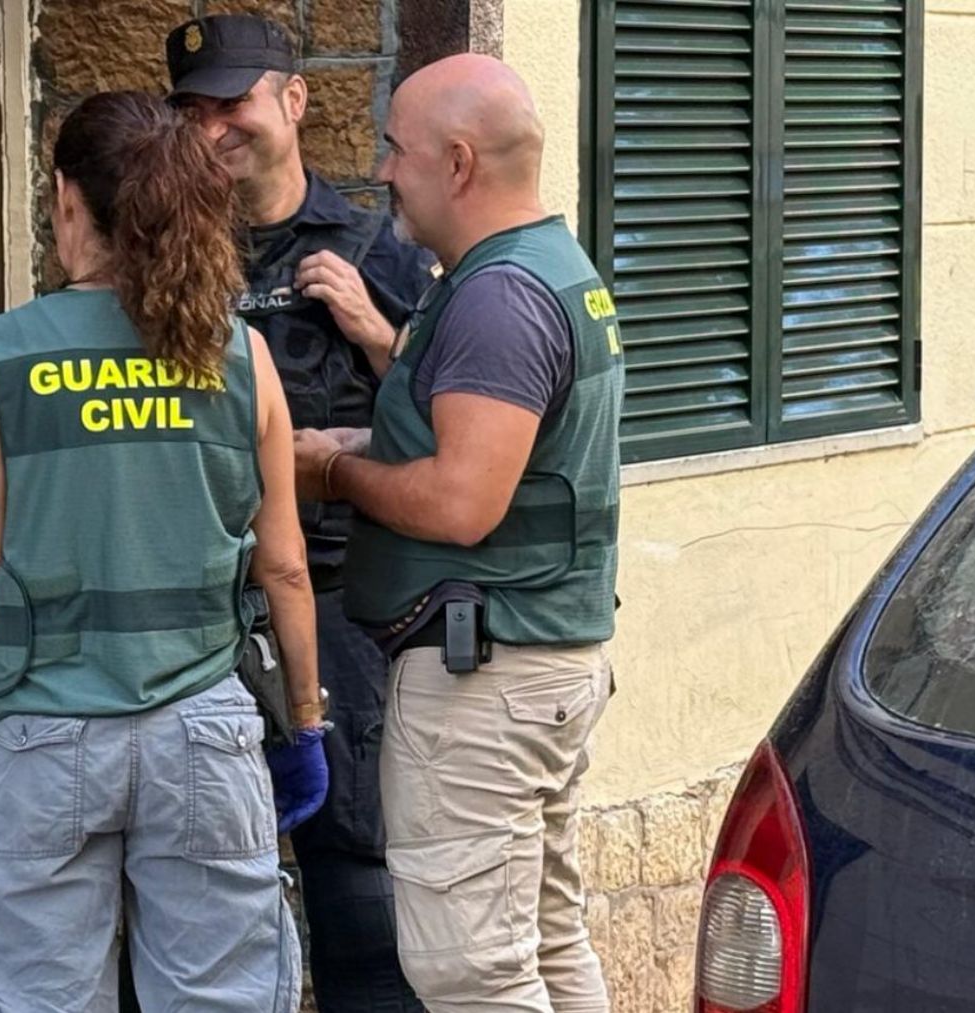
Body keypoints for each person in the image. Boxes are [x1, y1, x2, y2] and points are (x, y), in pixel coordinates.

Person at [0, 90, 329, 1012]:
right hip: (204, 734)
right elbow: (283, 564)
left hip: (45, 737)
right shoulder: (237, 355)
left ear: (69, 200)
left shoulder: (3, 354)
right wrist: (305, 721)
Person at [293, 54, 623, 1013]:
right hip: (538, 664)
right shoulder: (541, 270)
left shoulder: (496, 297)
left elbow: (461, 502)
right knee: (548, 947)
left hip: (486, 681)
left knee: (470, 973)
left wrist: (334, 470)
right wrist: (370, 432)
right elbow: (485, 439)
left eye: (397, 149)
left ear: (459, 163)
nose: (384, 171)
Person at [165, 15, 432, 1011]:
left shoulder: (377, 249)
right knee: (193, 908)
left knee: (358, 888)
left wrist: (371, 329)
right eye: (190, 112)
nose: (212, 130)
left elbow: (462, 429)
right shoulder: (167, 259)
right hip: (200, 624)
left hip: (337, 619)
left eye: (231, 103)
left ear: (293, 100)